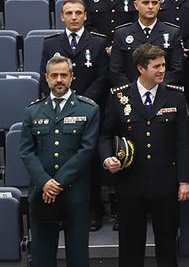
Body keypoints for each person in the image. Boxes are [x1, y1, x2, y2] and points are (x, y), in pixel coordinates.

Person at [99, 44, 189, 267]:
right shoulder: (120, 97)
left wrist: (185, 180)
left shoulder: (175, 97)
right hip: (131, 182)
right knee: (131, 246)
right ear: (141, 68)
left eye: (163, 65)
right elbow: (105, 136)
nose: (162, 70)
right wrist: (107, 158)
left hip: (165, 183)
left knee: (167, 244)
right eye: (156, 66)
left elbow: (184, 142)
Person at [20, 55, 100, 267]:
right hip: (41, 193)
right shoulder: (32, 110)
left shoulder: (88, 109)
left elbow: (87, 150)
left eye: (63, 75)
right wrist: (45, 182)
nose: (59, 80)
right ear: (46, 78)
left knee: (78, 254)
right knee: (42, 255)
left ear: (72, 77)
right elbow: (26, 151)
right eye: (54, 75)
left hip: (75, 193)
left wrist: (58, 182)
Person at [40, 0, 109, 231]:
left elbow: (102, 77)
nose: (74, 17)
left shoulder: (97, 43)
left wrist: (82, 103)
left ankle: (93, 211)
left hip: (90, 110)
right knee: (61, 158)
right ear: (61, 17)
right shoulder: (51, 44)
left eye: (78, 13)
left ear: (85, 16)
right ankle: (60, 210)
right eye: (69, 13)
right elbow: (45, 77)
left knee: (90, 162)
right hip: (59, 111)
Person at [109, 0, 185, 87]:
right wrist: (136, 91)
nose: (150, 6)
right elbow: (116, 70)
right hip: (131, 94)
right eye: (145, 3)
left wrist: (156, 89)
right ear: (136, 5)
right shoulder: (122, 33)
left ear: (159, 5)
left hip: (163, 94)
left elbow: (177, 69)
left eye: (154, 3)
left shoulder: (172, 32)